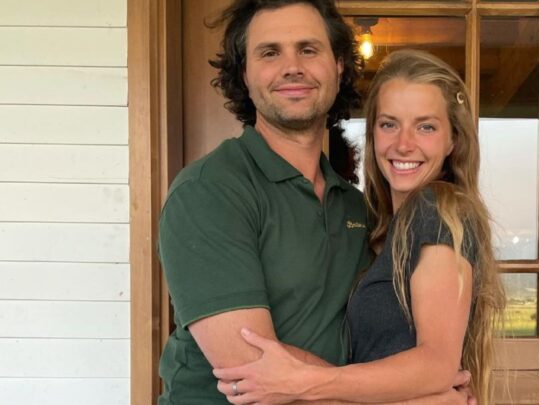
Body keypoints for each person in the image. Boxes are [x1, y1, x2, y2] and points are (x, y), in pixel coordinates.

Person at [157, 0, 472, 403]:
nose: (292, 66)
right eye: (270, 52)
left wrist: (422, 378)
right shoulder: (209, 192)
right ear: (244, 73)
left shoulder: (357, 207)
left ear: (339, 65)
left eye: (308, 49)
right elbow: (255, 368)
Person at [214, 50, 506, 405]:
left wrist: (302, 382)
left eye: (426, 126)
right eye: (389, 124)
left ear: (453, 140)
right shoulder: (383, 225)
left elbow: (436, 366)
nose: (403, 143)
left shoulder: (436, 209)